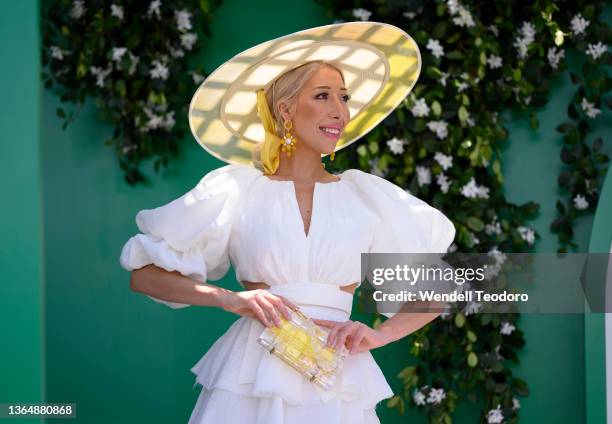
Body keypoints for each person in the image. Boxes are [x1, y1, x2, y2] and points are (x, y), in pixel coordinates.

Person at [119, 22, 455, 424]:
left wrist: (380, 334)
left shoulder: (365, 196)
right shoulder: (237, 189)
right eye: (323, 96)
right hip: (251, 375)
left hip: (336, 373)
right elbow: (143, 276)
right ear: (286, 109)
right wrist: (229, 299)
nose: (340, 110)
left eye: (344, 98)